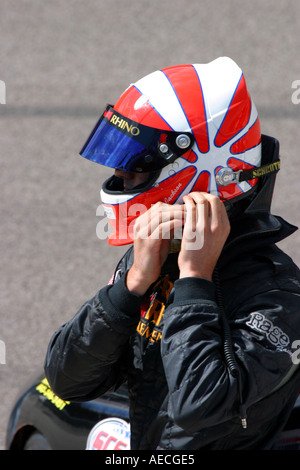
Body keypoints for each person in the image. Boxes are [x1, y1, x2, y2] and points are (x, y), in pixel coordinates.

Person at [44, 57, 300, 450]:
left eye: (134, 164)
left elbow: (200, 406)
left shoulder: (278, 297)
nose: (120, 176)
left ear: (203, 169)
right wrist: (126, 291)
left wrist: (194, 283)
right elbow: (67, 379)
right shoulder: (152, 260)